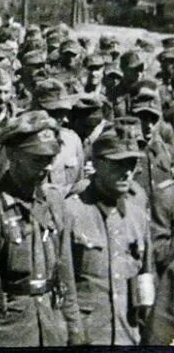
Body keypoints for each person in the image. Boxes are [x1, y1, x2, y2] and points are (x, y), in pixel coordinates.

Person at [0, 111, 86, 346]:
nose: (47, 167)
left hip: (51, 325)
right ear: (12, 155)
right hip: (9, 331)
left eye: (50, 158)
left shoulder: (54, 201)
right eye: (37, 159)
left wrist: (74, 327)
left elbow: (65, 272)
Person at [65, 123, 154, 345]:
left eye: (131, 163)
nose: (126, 171)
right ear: (96, 163)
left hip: (127, 334)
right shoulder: (71, 212)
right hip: (86, 336)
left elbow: (145, 277)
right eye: (118, 163)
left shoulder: (137, 217)